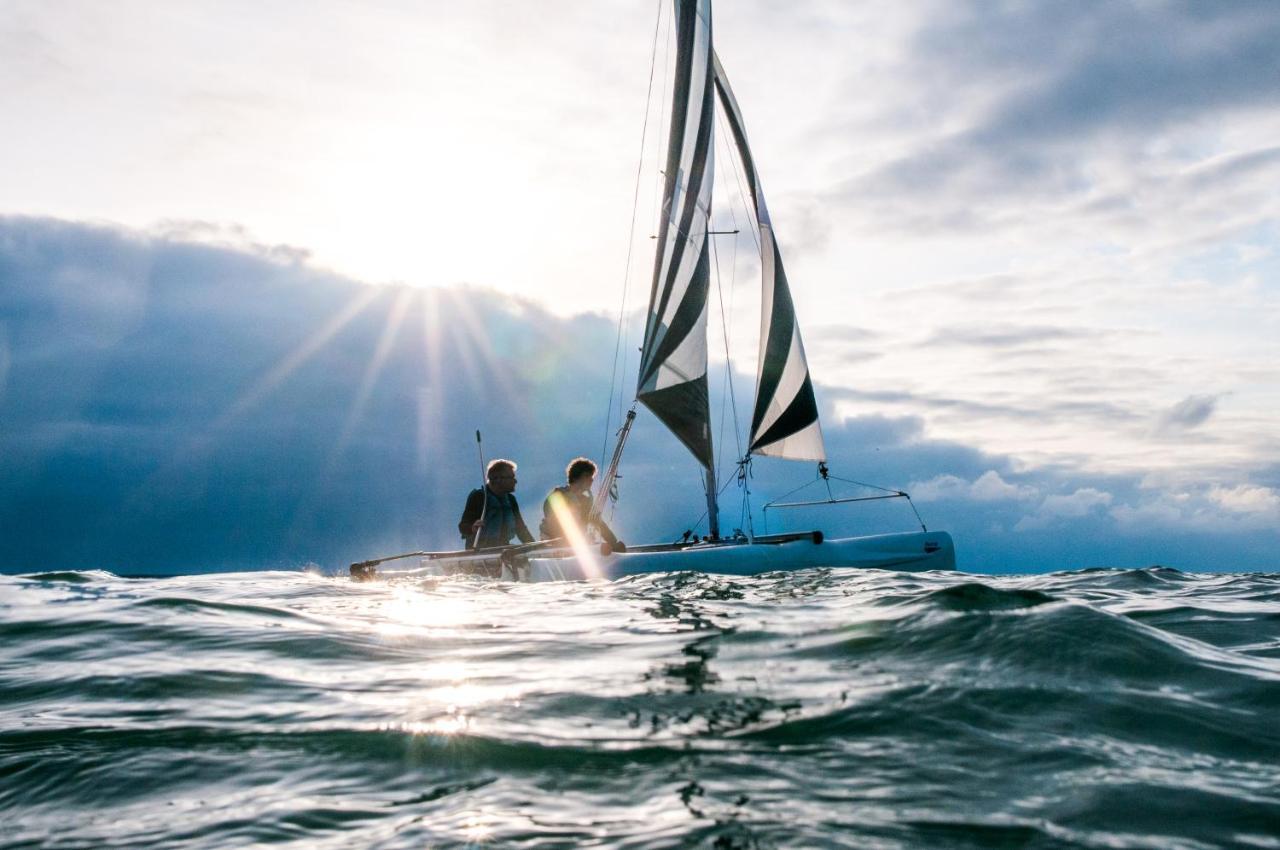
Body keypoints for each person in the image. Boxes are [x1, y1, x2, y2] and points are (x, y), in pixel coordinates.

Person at [540, 457, 625, 554]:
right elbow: (554, 526)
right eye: (588, 476)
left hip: (576, 548)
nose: (591, 480)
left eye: (592, 476)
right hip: (555, 548)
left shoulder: (586, 502)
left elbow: (599, 523)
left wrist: (614, 543)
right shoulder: (555, 498)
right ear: (577, 477)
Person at [458, 459, 535, 549]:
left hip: (502, 550)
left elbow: (521, 529)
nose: (515, 481)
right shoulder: (479, 497)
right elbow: (463, 526)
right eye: (511, 477)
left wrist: (536, 547)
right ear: (498, 479)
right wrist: (472, 527)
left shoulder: (511, 500)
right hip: (479, 553)